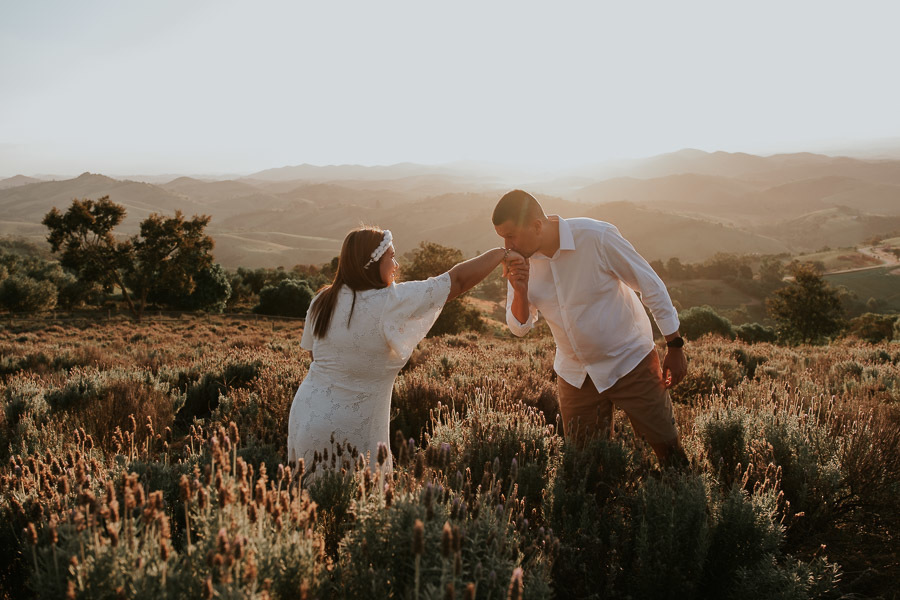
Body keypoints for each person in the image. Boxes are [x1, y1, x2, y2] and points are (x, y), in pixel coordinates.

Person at [288, 226, 520, 474]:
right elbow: (457, 281)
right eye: (391, 256)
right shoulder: (390, 301)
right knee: (361, 501)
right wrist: (500, 254)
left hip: (307, 414)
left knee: (309, 500)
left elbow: (315, 356)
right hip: (353, 427)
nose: (396, 264)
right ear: (371, 263)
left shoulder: (322, 300)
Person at [494, 190, 688, 466]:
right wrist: (520, 290)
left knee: (669, 454)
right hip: (575, 376)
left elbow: (650, 285)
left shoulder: (597, 237)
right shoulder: (518, 261)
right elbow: (519, 327)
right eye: (502, 236)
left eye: (511, 235)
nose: (506, 244)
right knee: (586, 466)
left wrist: (675, 345)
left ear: (537, 225)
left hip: (630, 362)